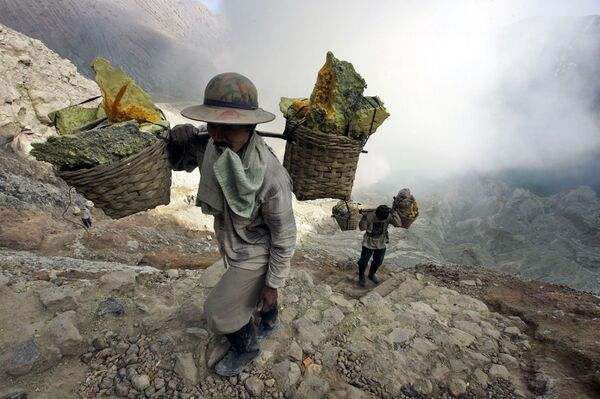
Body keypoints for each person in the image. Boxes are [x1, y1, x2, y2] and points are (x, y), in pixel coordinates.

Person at [168, 72, 297, 377]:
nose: (218, 133)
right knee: (247, 297)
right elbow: (180, 162)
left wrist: (273, 284)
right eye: (213, 124)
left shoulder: (271, 177)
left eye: (229, 127)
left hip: (255, 253)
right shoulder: (212, 146)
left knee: (217, 312)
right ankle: (268, 319)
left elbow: (285, 236)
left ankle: (247, 346)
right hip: (232, 244)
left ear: (251, 127)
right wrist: (179, 142)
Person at [357, 204, 402, 287]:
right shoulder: (370, 216)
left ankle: (371, 274)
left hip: (381, 242)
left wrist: (394, 213)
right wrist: (364, 218)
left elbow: (398, 224)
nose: (381, 219)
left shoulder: (388, 216)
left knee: (378, 261)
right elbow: (362, 228)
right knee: (363, 262)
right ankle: (361, 275)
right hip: (368, 243)